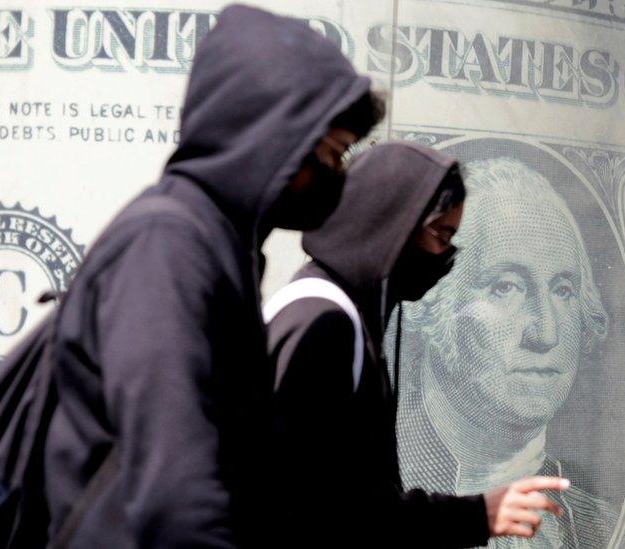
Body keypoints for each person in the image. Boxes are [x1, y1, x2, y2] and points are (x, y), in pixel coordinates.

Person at [42, 5, 381, 547]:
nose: (337, 175)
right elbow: (177, 493)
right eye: (333, 154)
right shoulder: (169, 248)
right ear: (271, 137)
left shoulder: (219, 244)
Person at [265, 142, 570, 547]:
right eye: (442, 236)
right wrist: (479, 515)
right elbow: (329, 509)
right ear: (395, 222)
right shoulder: (324, 322)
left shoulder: (340, 311)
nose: (446, 257)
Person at [396, 157, 617, 548]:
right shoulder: (380, 496)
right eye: (506, 287)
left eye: (563, 290)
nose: (546, 333)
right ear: (435, 303)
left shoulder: (599, 523)